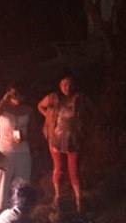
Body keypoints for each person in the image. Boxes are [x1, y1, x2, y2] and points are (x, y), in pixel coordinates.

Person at [37, 74, 88, 213]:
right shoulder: (53, 98)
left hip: (74, 140)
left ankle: (79, 200)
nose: (67, 87)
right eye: (65, 84)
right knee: (59, 168)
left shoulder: (79, 99)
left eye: (70, 84)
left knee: (74, 170)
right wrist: (48, 118)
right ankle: (58, 197)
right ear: (60, 85)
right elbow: (40, 105)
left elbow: (88, 113)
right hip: (56, 140)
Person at [0, 86, 34, 213]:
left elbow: (34, 131)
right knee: (2, 183)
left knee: (22, 183)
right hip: (4, 150)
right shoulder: (1, 107)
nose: (18, 97)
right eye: (15, 94)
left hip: (22, 150)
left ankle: (19, 211)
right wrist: (4, 99)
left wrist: (24, 136)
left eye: (21, 95)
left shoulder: (28, 110)